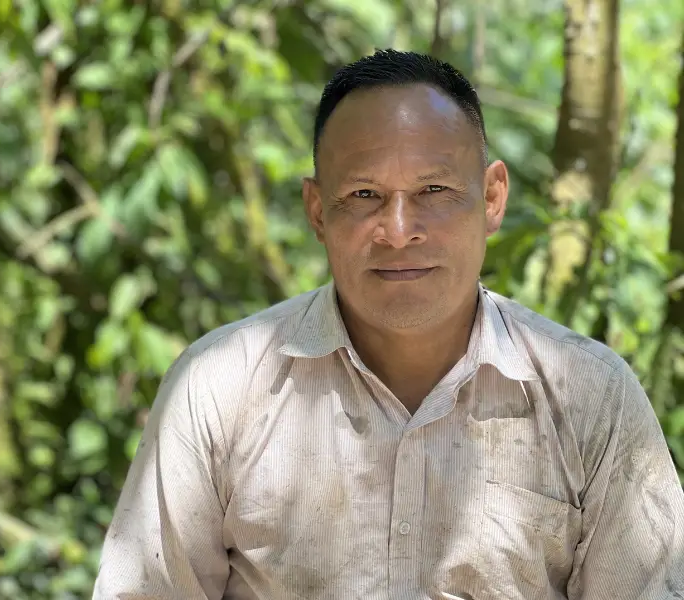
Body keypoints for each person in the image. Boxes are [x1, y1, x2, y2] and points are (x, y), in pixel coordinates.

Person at [92, 49, 684, 599]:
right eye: (364, 194)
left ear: (492, 198)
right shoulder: (219, 389)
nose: (399, 231)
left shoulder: (590, 398)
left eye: (434, 189)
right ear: (318, 210)